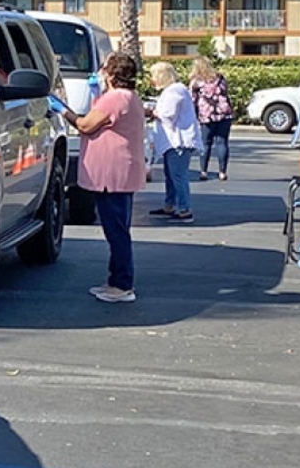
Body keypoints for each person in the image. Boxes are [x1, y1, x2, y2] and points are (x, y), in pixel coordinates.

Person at [50, 53, 146, 303]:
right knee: (119, 229)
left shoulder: (114, 99)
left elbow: (84, 125)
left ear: (112, 75)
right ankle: (116, 280)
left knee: (116, 232)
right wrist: (96, 94)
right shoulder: (128, 97)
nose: (100, 74)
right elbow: (102, 116)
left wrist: (63, 110)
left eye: (104, 70)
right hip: (123, 174)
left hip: (111, 176)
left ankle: (122, 285)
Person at [147, 62, 202, 224]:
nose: (152, 80)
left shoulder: (174, 91)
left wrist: (151, 112)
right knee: (171, 175)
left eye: (154, 76)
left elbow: (168, 114)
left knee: (178, 175)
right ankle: (170, 205)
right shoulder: (175, 90)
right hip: (173, 141)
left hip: (178, 141)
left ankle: (185, 209)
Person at [189, 57, 234, 181]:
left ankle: (204, 171)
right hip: (224, 114)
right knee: (222, 142)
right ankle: (222, 172)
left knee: (206, 143)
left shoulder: (196, 82)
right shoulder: (220, 78)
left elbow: (192, 100)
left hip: (207, 115)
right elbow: (226, 93)